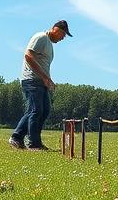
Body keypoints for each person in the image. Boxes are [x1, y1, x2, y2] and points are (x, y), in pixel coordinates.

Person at [8, 20, 72, 151]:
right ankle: (33, 143)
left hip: (41, 82)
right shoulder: (41, 37)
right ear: (56, 29)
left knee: (44, 111)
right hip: (31, 80)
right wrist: (44, 78)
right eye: (63, 35)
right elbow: (28, 56)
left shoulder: (49, 44)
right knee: (36, 110)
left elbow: (43, 64)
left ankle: (18, 137)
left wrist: (48, 80)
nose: (62, 38)